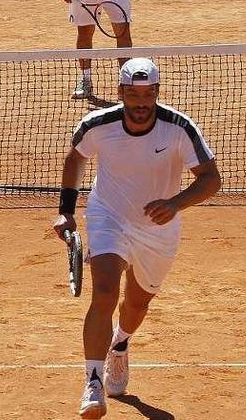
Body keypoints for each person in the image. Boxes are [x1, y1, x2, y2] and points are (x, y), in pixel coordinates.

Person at [53, 58, 221, 419]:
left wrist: (175, 203)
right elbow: (75, 159)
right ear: (121, 93)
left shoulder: (179, 127)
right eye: (133, 94)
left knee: (137, 305)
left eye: (148, 94)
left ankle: (120, 344)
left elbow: (210, 179)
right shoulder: (96, 125)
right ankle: (93, 381)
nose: (141, 102)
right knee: (105, 293)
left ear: (157, 93)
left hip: (158, 228)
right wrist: (66, 210)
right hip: (108, 216)